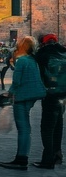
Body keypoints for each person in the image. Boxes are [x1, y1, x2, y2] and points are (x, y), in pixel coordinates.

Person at [0, 36, 47, 170]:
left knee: (23, 129)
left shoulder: (22, 60)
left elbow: (17, 81)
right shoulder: (32, 60)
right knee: (26, 129)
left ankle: (21, 159)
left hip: (22, 96)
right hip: (32, 95)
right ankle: (22, 157)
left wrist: (9, 93)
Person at [32, 33, 66, 169]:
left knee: (47, 128)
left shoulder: (43, 54)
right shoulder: (64, 54)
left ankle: (47, 160)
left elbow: (37, 73)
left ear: (44, 43)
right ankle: (58, 155)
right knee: (58, 125)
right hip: (63, 95)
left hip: (50, 95)